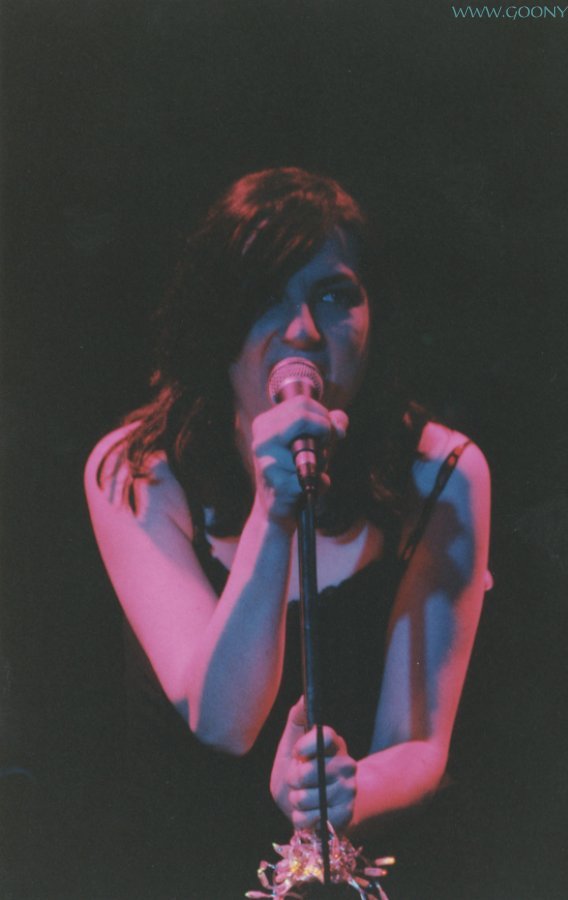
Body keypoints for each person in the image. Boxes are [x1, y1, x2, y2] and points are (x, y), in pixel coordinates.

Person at [84, 167, 491, 898]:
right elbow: (225, 721)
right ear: (218, 320)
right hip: (178, 857)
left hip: (358, 869)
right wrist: (274, 510)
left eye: (334, 296)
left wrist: (343, 793)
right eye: (266, 296)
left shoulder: (443, 473)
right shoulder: (137, 471)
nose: (302, 330)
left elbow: (419, 744)